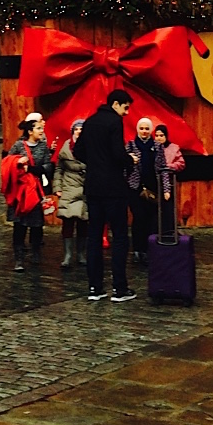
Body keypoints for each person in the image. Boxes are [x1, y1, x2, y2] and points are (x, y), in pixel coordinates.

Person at [74, 88, 137, 303]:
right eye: (126, 107)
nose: (127, 112)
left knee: (94, 237)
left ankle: (95, 287)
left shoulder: (90, 122)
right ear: (116, 104)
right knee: (120, 237)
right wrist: (131, 160)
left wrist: (94, 162)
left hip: (93, 187)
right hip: (113, 188)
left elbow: (78, 151)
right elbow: (118, 154)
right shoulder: (114, 122)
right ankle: (120, 289)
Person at [3, 113, 53, 270]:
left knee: (37, 225)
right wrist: (17, 162)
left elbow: (48, 167)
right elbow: (7, 164)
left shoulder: (43, 147)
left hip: (36, 191)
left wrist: (30, 168)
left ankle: (36, 253)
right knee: (20, 225)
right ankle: (19, 258)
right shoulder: (18, 146)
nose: (41, 131)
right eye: (38, 128)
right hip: (21, 192)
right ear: (30, 131)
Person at [53, 118, 88, 268]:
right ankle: (67, 255)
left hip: (85, 188)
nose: (79, 131)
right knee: (68, 221)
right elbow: (59, 169)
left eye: (82, 129)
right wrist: (57, 187)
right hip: (69, 187)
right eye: (77, 129)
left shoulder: (91, 147)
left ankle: (80, 254)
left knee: (83, 222)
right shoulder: (66, 148)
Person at [126, 116, 159, 263]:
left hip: (152, 188)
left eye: (147, 129)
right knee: (138, 218)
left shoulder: (157, 146)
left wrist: (164, 188)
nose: (144, 131)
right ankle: (137, 249)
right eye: (141, 128)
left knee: (151, 219)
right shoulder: (131, 145)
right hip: (135, 188)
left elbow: (162, 169)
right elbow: (124, 167)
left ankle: (149, 249)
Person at [153, 124, 185, 241]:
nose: (159, 138)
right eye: (156, 136)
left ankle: (168, 231)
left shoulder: (174, 148)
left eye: (161, 135)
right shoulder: (152, 148)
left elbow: (181, 163)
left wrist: (168, 167)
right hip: (155, 182)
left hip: (168, 182)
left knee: (168, 208)